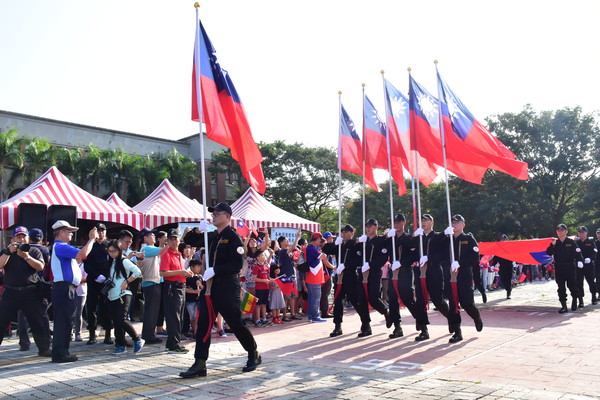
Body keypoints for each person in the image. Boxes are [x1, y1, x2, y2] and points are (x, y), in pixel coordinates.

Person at [180, 202, 260, 378]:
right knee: (204, 325)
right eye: (213, 213)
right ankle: (200, 362)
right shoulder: (212, 236)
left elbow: (237, 264)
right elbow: (188, 242)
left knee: (236, 323)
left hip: (227, 287)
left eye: (218, 213)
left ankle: (253, 352)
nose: (213, 216)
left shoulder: (233, 237)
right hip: (210, 288)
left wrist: (216, 270)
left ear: (227, 217)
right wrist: (197, 231)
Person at [0, 226, 51, 357]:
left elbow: (40, 266)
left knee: (37, 322)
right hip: (11, 292)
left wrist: (26, 257)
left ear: (28, 238)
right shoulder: (6, 252)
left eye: (23, 236)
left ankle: (44, 349)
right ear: (13, 239)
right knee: (2, 320)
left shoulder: (33, 251)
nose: (21, 239)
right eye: (18, 237)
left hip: (30, 291)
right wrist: (7, 252)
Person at [51, 220, 97, 363]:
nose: (71, 233)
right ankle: (61, 353)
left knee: (65, 321)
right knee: (63, 321)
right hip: (64, 288)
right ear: (62, 232)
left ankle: (62, 351)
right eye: (69, 231)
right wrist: (91, 239)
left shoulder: (60, 247)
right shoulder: (61, 247)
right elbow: (82, 254)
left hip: (65, 288)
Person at [322, 224, 369, 337]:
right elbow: (325, 250)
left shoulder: (356, 245)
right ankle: (337, 326)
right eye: (343, 232)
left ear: (352, 234)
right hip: (339, 276)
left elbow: (359, 260)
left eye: (347, 232)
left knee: (356, 301)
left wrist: (346, 265)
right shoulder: (339, 245)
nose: (344, 234)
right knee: (338, 301)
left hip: (351, 275)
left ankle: (366, 324)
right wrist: (334, 243)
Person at [442, 215, 483, 343]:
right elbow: (438, 251)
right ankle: (457, 332)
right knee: (453, 304)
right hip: (450, 276)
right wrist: (443, 235)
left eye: (457, 222)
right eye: (452, 222)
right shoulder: (447, 239)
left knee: (467, 303)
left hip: (464, 275)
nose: (454, 224)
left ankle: (476, 317)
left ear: (463, 225)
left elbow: (475, 257)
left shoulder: (468, 239)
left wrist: (460, 262)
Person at [104, 240, 144, 355]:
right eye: (109, 251)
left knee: (121, 319)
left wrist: (127, 281)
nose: (111, 253)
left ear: (119, 250)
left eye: (114, 251)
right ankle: (120, 345)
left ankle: (137, 339)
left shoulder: (124, 260)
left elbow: (137, 272)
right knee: (116, 321)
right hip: (113, 294)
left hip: (123, 294)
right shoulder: (112, 261)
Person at [417, 214, 451, 340]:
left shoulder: (438, 237)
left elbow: (442, 254)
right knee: (420, 301)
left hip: (434, 270)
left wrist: (429, 258)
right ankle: (424, 330)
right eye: (421, 220)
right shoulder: (418, 237)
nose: (423, 222)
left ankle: (451, 319)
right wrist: (413, 236)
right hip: (420, 272)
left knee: (438, 300)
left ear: (432, 222)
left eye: (426, 220)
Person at [160, 228, 193, 353]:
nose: (174, 242)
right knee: (174, 316)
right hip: (172, 287)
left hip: (180, 286)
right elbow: (163, 272)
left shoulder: (179, 254)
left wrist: (186, 273)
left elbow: (178, 271)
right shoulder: (166, 254)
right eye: (172, 239)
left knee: (179, 316)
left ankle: (174, 342)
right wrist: (181, 272)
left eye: (176, 239)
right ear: (168, 240)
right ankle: (174, 344)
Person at [359, 219, 392, 336]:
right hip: (362, 273)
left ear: (376, 227)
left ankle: (385, 312)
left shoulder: (381, 240)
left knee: (373, 298)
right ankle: (366, 326)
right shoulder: (364, 241)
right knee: (361, 300)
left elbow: (383, 258)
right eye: (366, 226)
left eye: (370, 226)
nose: (368, 228)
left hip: (374, 272)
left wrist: (370, 265)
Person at [83, 222, 112, 345]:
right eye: (98, 230)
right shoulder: (91, 245)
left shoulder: (110, 245)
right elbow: (86, 264)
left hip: (107, 280)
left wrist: (107, 277)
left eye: (102, 230)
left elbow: (113, 262)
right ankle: (91, 334)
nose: (100, 233)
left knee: (107, 308)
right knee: (92, 307)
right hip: (93, 280)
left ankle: (107, 334)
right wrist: (96, 276)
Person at [137, 228, 167, 344]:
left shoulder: (148, 248)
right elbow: (162, 251)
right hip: (151, 283)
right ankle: (149, 335)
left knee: (152, 311)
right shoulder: (146, 248)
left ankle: (149, 334)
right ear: (145, 238)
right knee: (151, 311)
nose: (153, 236)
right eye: (151, 235)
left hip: (152, 283)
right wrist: (168, 243)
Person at [547, 224, 583, 313]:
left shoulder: (571, 242)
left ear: (566, 231)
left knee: (572, 286)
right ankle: (564, 306)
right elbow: (549, 253)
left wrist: (580, 260)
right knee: (561, 287)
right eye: (558, 230)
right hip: (559, 267)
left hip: (570, 267)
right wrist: (553, 245)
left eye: (562, 230)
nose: (560, 232)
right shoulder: (555, 242)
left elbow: (578, 252)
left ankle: (575, 300)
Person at [305, 233, 335, 323]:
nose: (320, 242)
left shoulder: (312, 248)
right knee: (315, 297)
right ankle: (315, 316)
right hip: (313, 276)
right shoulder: (311, 248)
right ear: (316, 239)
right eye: (320, 240)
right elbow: (322, 256)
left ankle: (312, 315)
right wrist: (323, 254)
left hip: (314, 276)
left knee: (313, 297)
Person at [277, 233, 301, 321]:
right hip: (285, 276)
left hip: (292, 275)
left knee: (293, 296)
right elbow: (293, 247)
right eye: (286, 240)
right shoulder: (282, 251)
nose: (287, 241)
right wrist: (297, 237)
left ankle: (292, 314)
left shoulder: (288, 252)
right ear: (281, 242)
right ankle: (284, 315)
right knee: (286, 297)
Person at [574, 226, 597, 307]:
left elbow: (594, 252)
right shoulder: (576, 242)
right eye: (579, 232)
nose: (581, 233)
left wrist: (590, 259)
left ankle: (594, 297)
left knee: (591, 282)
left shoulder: (590, 241)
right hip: (579, 266)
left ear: (586, 233)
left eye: (582, 232)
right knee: (579, 283)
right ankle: (580, 300)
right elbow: (574, 253)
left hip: (589, 265)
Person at [252, 250, 273, 327]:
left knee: (264, 304)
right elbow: (254, 278)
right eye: (262, 255)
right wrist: (264, 280)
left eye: (264, 255)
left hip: (266, 288)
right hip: (259, 288)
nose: (264, 257)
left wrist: (270, 280)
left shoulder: (266, 266)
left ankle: (264, 319)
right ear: (257, 257)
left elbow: (267, 276)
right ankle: (257, 320)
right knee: (258, 305)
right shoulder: (256, 266)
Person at [492, 234, 515, 299]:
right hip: (502, 267)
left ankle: (508, 292)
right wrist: (493, 265)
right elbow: (496, 258)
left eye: (504, 239)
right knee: (503, 280)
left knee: (508, 280)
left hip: (509, 266)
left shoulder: (510, 247)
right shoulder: (498, 248)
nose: (502, 241)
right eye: (501, 239)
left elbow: (513, 255)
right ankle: (508, 288)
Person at [184, 259, 204, 337]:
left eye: (200, 267)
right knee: (192, 317)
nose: (199, 268)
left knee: (198, 317)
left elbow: (204, 289)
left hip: (198, 300)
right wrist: (195, 292)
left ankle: (197, 332)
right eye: (197, 266)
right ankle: (195, 332)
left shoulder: (199, 278)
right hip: (190, 300)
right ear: (191, 267)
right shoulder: (187, 278)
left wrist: (200, 285)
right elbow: (184, 289)